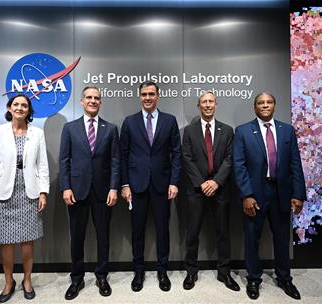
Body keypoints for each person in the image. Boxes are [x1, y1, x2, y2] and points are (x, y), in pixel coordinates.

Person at [233, 91, 306, 300]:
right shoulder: (243, 131)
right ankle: (254, 279)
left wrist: (298, 194)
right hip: (255, 193)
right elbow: (239, 166)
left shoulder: (287, 131)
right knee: (252, 238)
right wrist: (246, 194)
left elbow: (295, 164)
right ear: (255, 107)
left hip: (281, 192)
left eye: (269, 102)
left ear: (274, 105)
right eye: (260, 103)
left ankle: (284, 278)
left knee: (282, 238)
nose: (265, 105)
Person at [0, 93, 49, 303]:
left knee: (28, 241)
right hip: (4, 193)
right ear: (9, 108)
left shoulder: (37, 133)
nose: (20, 108)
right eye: (16, 104)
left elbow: (42, 165)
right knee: (7, 242)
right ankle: (9, 281)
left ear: (29, 110)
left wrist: (43, 192)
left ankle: (27, 280)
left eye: (24, 105)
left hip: (29, 192)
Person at [120, 81, 182, 292]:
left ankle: (162, 271)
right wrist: (125, 184)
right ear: (140, 96)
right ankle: (138, 271)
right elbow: (123, 155)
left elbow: (177, 154)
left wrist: (174, 182)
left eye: (151, 94)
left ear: (158, 96)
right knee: (137, 231)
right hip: (136, 186)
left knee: (163, 231)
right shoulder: (129, 122)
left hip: (162, 186)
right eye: (144, 94)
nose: (147, 97)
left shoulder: (169, 120)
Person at [59, 86, 120, 300]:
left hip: (103, 192)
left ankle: (102, 276)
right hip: (76, 191)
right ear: (82, 101)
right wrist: (65, 187)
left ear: (100, 103)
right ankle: (77, 278)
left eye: (96, 98)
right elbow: (64, 160)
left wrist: (114, 187)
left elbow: (115, 161)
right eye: (89, 98)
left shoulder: (111, 129)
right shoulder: (70, 128)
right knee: (77, 237)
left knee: (103, 236)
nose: (93, 101)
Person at [182, 91, 239, 292]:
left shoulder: (227, 130)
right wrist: (202, 183)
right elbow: (186, 158)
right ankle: (191, 271)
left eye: (211, 102)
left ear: (216, 105)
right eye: (204, 102)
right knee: (192, 232)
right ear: (199, 106)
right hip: (196, 190)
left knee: (223, 232)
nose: (207, 105)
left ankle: (224, 273)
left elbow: (230, 159)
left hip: (220, 189)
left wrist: (215, 182)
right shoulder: (189, 131)